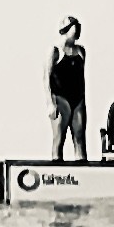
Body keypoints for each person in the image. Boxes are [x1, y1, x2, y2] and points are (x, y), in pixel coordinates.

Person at [49, 17, 88, 162]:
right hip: (61, 99)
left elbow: (81, 77)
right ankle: (57, 168)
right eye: (73, 27)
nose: (76, 30)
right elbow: (46, 78)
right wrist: (50, 103)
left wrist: (83, 101)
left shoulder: (81, 51)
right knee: (59, 138)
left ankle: (82, 169)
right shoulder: (55, 51)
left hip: (78, 99)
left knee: (79, 138)